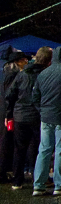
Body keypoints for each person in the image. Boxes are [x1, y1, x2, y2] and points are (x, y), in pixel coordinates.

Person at [31, 46, 61, 196]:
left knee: (44, 150)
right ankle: (59, 183)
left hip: (46, 117)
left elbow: (35, 97)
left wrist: (42, 110)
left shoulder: (43, 73)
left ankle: (38, 184)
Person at [7, 47, 52, 189]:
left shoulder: (23, 73)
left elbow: (10, 94)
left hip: (20, 115)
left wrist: (9, 114)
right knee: (38, 148)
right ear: (49, 60)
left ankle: (17, 180)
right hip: (38, 115)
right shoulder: (46, 75)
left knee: (19, 149)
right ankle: (37, 178)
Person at [0, 51, 27, 183]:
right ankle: (2, 172)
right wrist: (9, 114)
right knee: (5, 143)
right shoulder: (13, 75)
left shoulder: (5, 73)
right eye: (24, 60)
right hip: (7, 113)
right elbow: (9, 96)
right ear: (18, 62)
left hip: (4, 112)